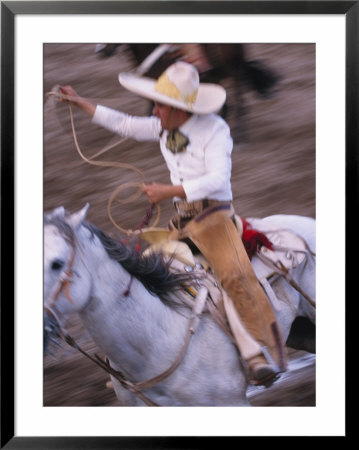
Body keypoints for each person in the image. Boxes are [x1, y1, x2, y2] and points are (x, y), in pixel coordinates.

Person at [60, 61, 286, 385]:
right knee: (141, 276)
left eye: (160, 106)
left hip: (215, 216)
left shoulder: (215, 131)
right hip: (181, 220)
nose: (154, 112)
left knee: (233, 275)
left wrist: (168, 191)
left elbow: (218, 178)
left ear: (180, 109)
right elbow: (125, 124)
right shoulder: (163, 126)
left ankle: (255, 354)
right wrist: (80, 102)